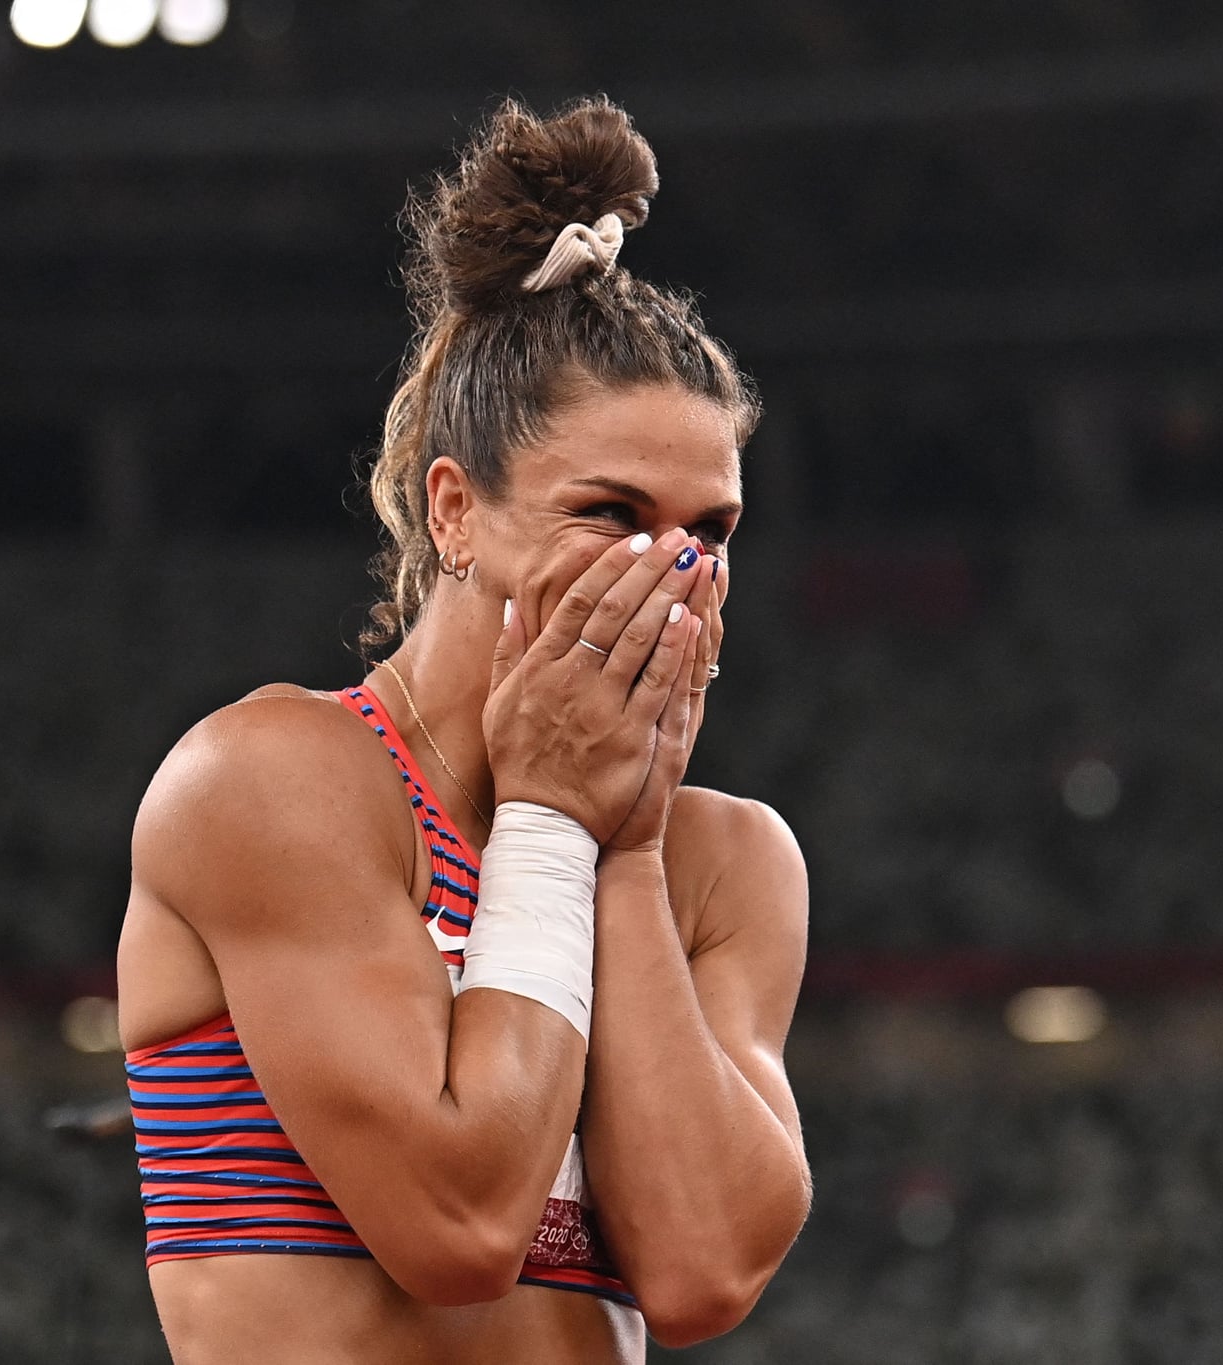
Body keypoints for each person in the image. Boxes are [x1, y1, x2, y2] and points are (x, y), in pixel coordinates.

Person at [115, 96, 812, 1364]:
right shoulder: (275, 782)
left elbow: (703, 1271)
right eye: (609, 511)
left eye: (707, 531)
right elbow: (459, 1226)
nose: (668, 569)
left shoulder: (726, 862)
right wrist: (549, 821)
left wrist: (629, 850)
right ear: (456, 514)